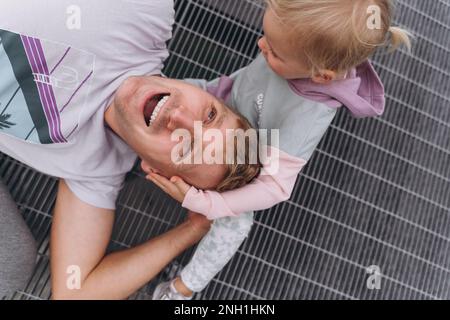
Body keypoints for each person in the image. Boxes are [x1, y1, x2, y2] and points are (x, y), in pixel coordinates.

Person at [150, 0, 412, 299]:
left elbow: (275, 187)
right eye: (267, 36)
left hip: (239, 158)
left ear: (322, 76)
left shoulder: (307, 117)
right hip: (222, 99)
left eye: (274, 51)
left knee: (233, 225)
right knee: (153, 96)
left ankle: (182, 289)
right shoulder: (294, 44)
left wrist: (210, 204)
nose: (261, 44)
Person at [0, 0, 260, 299]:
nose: (178, 117)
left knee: (10, 267)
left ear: (157, 172)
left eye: (187, 148)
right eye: (210, 115)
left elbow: (74, 293)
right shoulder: (145, 13)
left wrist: (195, 228)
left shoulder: (97, 168)